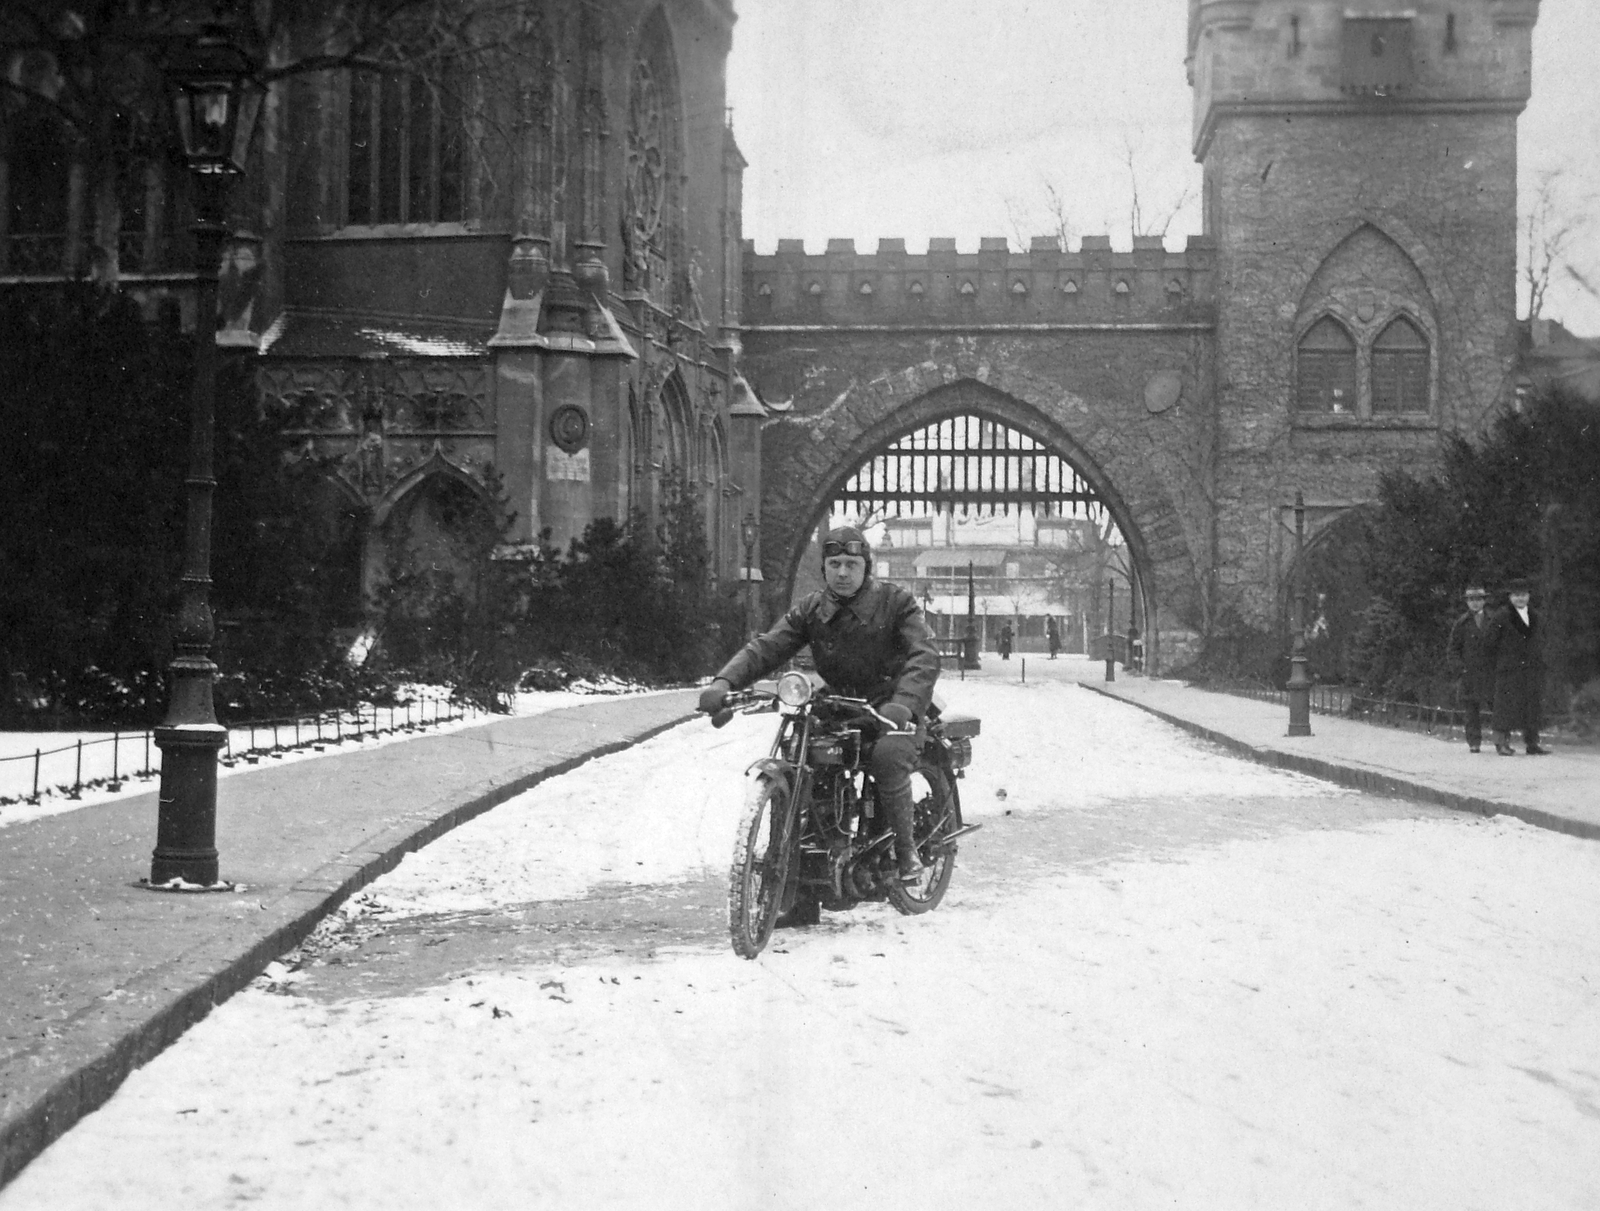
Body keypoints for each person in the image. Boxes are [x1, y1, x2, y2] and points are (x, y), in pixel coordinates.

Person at [698, 526, 942, 919]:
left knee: (888, 757)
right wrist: (724, 682)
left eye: (851, 564)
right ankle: (799, 893)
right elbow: (768, 646)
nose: (842, 572)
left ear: (866, 567)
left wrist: (904, 704)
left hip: (890, 709)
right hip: (839, 705)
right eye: (834, 564)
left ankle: (905, 850)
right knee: (803, 759)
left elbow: (924, 655)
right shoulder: (812, 609)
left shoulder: (896, 603)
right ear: (824, 568)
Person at [1482, 576, 1548, 756]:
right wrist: (1502, 660)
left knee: (1532, 706)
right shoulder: (1502, 616)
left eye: (1524, 595)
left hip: (1531, 669)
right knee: (1504, 707)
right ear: (1510, 597)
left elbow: (1542, 640)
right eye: (1516, 595)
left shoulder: (1536, 616)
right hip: (1509, 670)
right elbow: (1489, 643)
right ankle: (1501, 743)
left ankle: (1532, 743)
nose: (1520, 598)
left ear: (1529, 596)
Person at [1446, 580, 1494, 753]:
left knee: (1498, 707)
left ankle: (1501, 741)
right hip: (1470, 673)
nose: (1475, 603)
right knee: (1471, 709)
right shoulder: (1462, 623)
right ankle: (1474, 742)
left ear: (1484, 601)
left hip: (1490, 672)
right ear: (1467, 602)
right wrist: (1460, 669)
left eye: (1479, 599)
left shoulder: (1493, 620)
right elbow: (1453, 649)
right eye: (1471, 599)